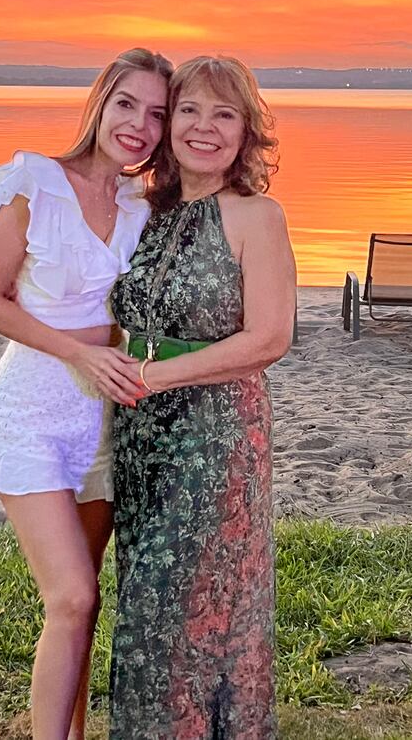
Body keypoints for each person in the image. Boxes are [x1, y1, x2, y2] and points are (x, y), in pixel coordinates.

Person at [0, 47, 172, 740]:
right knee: (71, 596)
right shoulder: (34, 182)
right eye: (126, 104)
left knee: (87, 600)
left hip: (105, 420)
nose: (138, 125)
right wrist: (78, 351)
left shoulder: (141, 204)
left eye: (157, 114)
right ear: (100, 103)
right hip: (33, 410)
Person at [108, 56, 296, 740]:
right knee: (142, 606)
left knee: (188, 614)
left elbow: (269, 337)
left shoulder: (256, 216)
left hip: (216, 440)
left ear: (246, 132)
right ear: (168, 124)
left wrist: (157, 376)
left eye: (224, 114)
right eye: (189, 110)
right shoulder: (141, 213)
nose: (204, 127)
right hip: (137, 438)